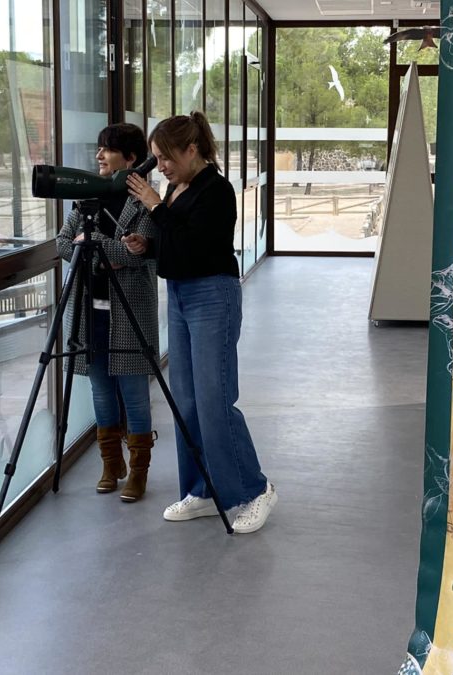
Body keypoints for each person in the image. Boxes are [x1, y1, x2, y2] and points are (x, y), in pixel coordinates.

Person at [125, 111, 277, 534]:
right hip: (180, 293)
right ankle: (204, 489)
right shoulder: (176, 187)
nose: (161, 167)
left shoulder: (217, 189)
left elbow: (200, 244)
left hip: (213, 294)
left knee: (215, 399)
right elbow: (176, 242)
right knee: (186, 401)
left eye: (166, 157)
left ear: (192, 149)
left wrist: (155, 208)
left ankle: (254, 490)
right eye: (156, 158)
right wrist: (149, 245)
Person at [56, 123, 158, 503]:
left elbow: (137, 256)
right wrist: (109, 253)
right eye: (98, 149)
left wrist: (95, 244)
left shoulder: (145, 200)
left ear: (130, 159)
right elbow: (63, 244)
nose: (99, 156)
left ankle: (139, 471)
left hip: (130, 308)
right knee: (99, 387)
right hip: (89, 309)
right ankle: (110, 464)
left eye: (107, 150)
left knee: (133, 391)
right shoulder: (85, 199)